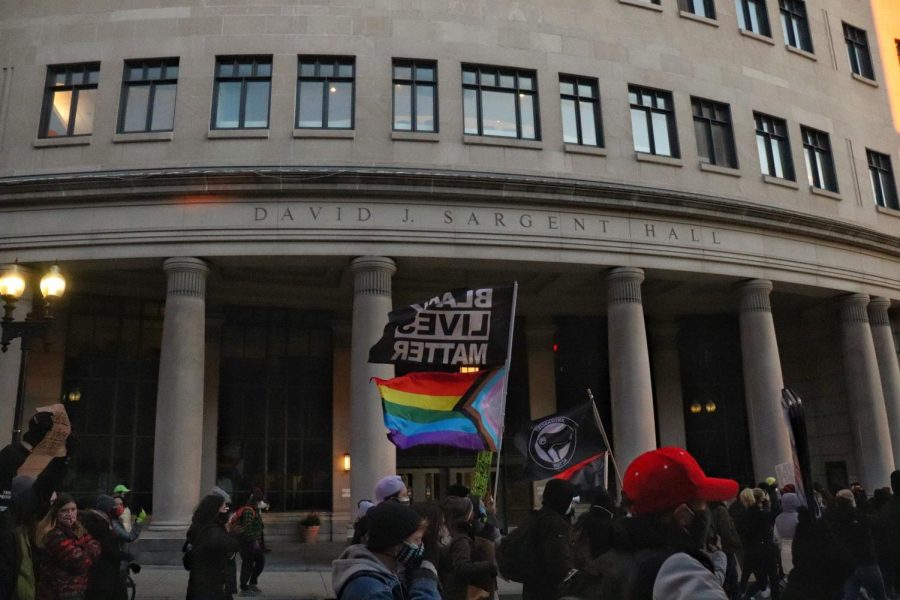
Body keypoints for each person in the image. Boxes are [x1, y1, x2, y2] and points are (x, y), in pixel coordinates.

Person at [596, 446, 735, 600]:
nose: (705, 514)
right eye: (702, 506)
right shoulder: (679, 569)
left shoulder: (611, 558)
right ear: (682, 515)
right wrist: (718, 560)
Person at [332, 500, 441, 600]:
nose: (420, 546)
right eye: (417, 539)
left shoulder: (390, 574)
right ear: (396, 544)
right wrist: (425, 581)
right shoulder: (369, 588)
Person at [519, 478, 578, 600]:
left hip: (532, 587)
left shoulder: (536, 517)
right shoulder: (554, 523)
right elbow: (560, 561)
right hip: (548, 589)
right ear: (562, 500)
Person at [35, 494, 101, 600]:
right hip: (57, 593)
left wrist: (83, 551)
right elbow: (79, 563)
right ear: (56, 512)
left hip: (75, 591)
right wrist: (87, 549)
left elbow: (96, 547)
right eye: (65, 510)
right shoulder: (54, 534)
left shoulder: (78, 529)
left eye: (73, 509)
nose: (70, 514)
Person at [782, 506, 855, 600]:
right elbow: (848, 563)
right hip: (818, 590)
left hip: (795, 588)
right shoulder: (824, 538)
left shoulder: (800, 537)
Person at [827, 489, 887, 600]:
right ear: (851, 501)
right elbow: (875, 523)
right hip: (867, 561)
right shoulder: (858, 515)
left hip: (847, 564)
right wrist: (863, 502)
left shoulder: (832, 519)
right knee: (880, 595)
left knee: (850, 595)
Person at [185, 493, 242, 600]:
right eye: (224, 507)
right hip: (211, 586)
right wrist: (231, 532)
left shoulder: (200, 526)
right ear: (215, 510)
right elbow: (231, 546)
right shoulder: (212, 530)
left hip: (202, 584)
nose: (227, 510)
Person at [438, 495, 496, 600]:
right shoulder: (461, 540)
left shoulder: (451, 535)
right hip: (458, 592)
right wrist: (488, 566)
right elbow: (461, 567)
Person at [81, 495, 134, 600]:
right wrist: (126, 556)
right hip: (105, 573)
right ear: (108, 509)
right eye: (114, 506)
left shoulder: (104, 522)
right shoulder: (101, 525)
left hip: (107, 571)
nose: (117, 508)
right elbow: (110, 548)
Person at [736, 487, 780, 600]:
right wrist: (769, 501)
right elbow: (774, 514)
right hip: (767, 550)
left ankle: (745, 596)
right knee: (773, 579)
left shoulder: (741, 516)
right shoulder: (761, 514)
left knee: (761, 581)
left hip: (753, 552)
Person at [236, 489, 266, 596]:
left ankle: (252, 583)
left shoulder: (254, 509)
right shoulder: (249, 510)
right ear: (256, 501)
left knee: (260, 561)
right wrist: (254, 540)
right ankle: (244, 587)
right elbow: (247, 527)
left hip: (252, 542)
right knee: (248, 564)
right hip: (248, 542)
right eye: (260, 501)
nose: (262, 503)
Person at [774, 492, 801, 576]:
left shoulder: (778, 518)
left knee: (789, 575)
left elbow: (776, 537)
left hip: (784, 550)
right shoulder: (799, 517)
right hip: (799, 549)